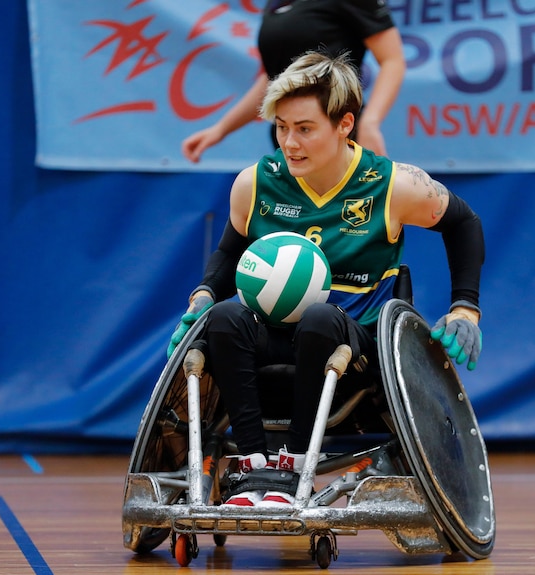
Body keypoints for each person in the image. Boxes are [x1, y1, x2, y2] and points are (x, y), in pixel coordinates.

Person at [167, 51, 484, 508]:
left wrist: (465, 307)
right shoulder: (254, 182)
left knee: (318, 317)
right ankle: (255, 468)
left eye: (304, 129)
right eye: (281, 127)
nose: (289, 143)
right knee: (226, 315)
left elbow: (464, 223)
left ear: (345, 125)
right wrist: (202, 296)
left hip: (353, 347)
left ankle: (295, 466)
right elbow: (228, 251)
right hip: (271, 337)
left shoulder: (392, 186)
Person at [181, 0, 405, 161]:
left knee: (351, 222)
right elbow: (274, 81)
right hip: (289, 140)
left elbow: (392, 60)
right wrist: (220, 129)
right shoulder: (275, 4)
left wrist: (370, 123)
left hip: (336, 135)